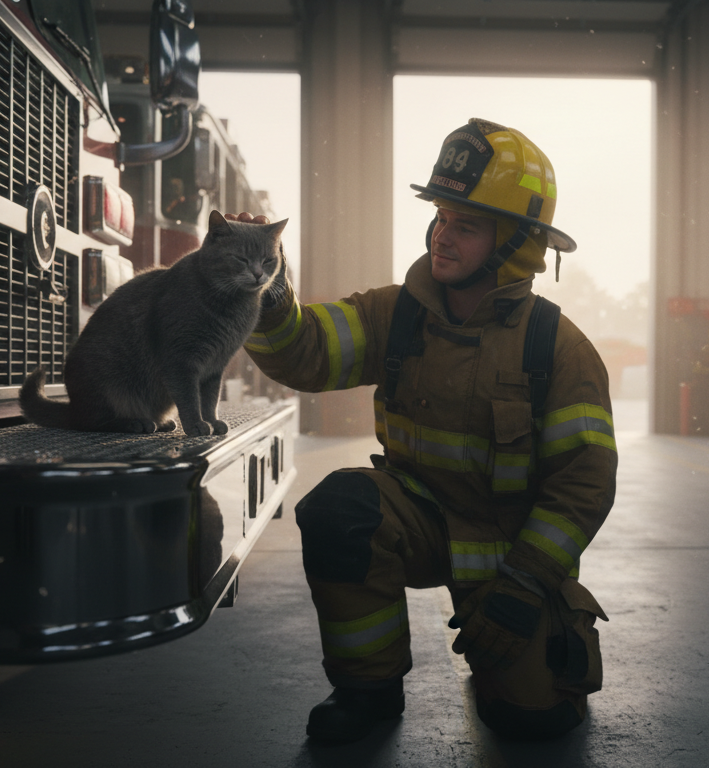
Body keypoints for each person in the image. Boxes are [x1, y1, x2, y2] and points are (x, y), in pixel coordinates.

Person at [239, 118, 617, 742]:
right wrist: (272, 288)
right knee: (341, 507)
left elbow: (583, 487)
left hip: (511, 555)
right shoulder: (394, 313)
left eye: (466, 225)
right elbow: (303, 351)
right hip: (415, 520)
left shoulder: (559, 349)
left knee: (533, 722)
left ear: (516, 244)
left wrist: (524, 586)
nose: (443, 235)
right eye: (442, 217)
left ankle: (521, 656)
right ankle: (369, 691)